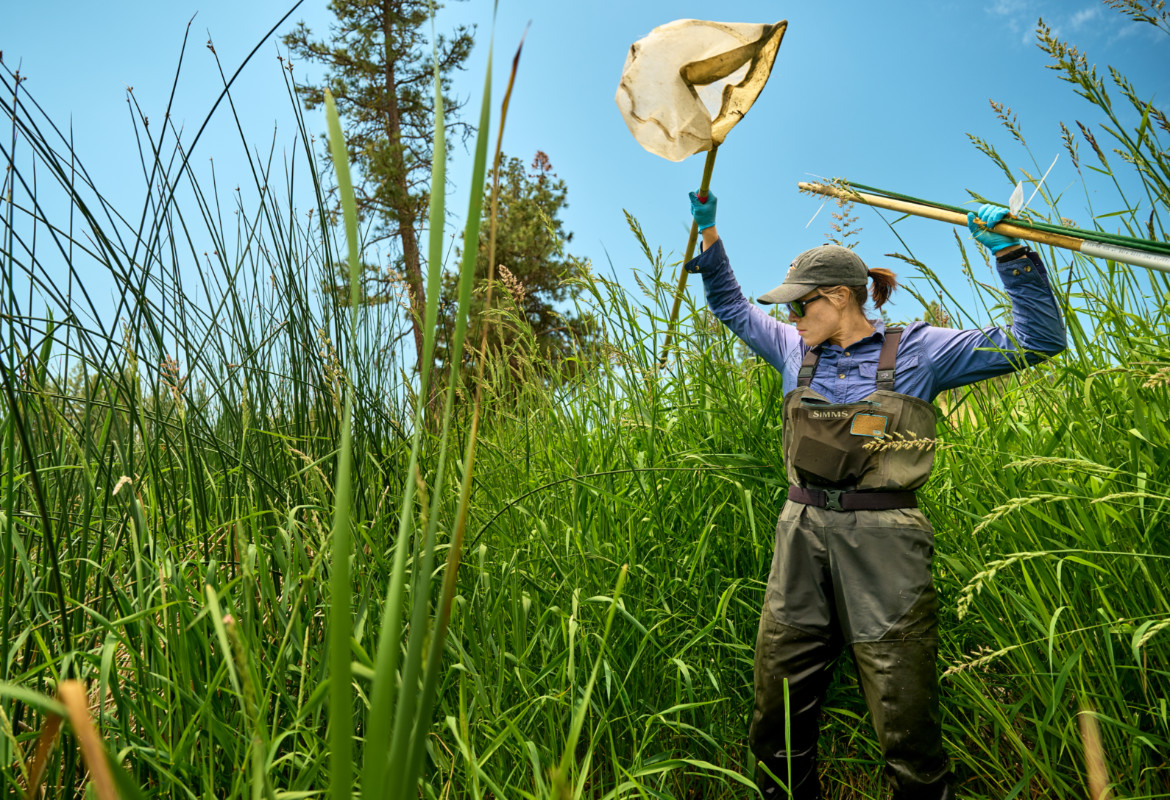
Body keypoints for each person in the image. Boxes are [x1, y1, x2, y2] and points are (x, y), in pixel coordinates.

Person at [683, 191, 1067, 800]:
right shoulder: (792, 349)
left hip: (886, 539)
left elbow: (1038, 340)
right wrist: (709, 235)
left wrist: (1013, 253)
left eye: (801, 305)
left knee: (902, 705)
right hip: (800, 529)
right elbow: (731, 306)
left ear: (838, 298)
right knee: (778, 695)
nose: (792, 319)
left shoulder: (919, 350)